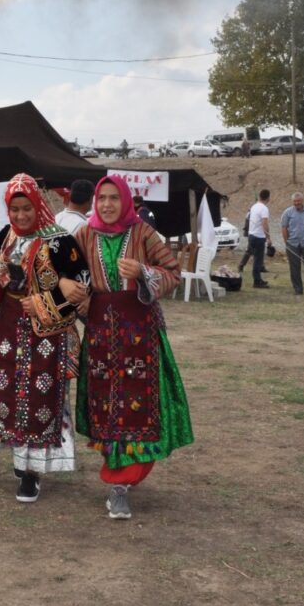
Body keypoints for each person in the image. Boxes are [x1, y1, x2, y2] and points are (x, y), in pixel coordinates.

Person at [74, 176, 194, 520]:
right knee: (107, 408)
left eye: (114, 198)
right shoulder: (84, 235)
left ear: (126, 201)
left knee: (138, 407)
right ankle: (118, 481)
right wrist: (75, 291)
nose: (107, 205)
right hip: (100, 336)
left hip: (140, 336)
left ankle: (121, 483)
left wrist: (143, 272)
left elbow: (172, 271)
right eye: (102, 198)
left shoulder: (143, 234)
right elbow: (68, 274)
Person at [0, 174, 89, 503]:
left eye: (25, 208)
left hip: (46, 332)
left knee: (39, 396)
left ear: (38, 206)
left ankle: (33, 472)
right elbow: (1, 281)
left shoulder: (59, 241)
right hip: (9, 327)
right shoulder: (8, 237)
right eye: (14, 209)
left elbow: (80, 286)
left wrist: (44, 301)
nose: (19, 216)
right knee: (12, 395)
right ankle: (21, 460)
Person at [239, 189, 272, 288]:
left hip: (251, 235)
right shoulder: (264, 208)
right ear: (268, 198)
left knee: (255, 258)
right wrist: (268, 237)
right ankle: (257, 281)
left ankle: (257, 279)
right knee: (258, 260)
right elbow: (265, 223)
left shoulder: (254, 206)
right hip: (258, 236)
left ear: (259, 196)